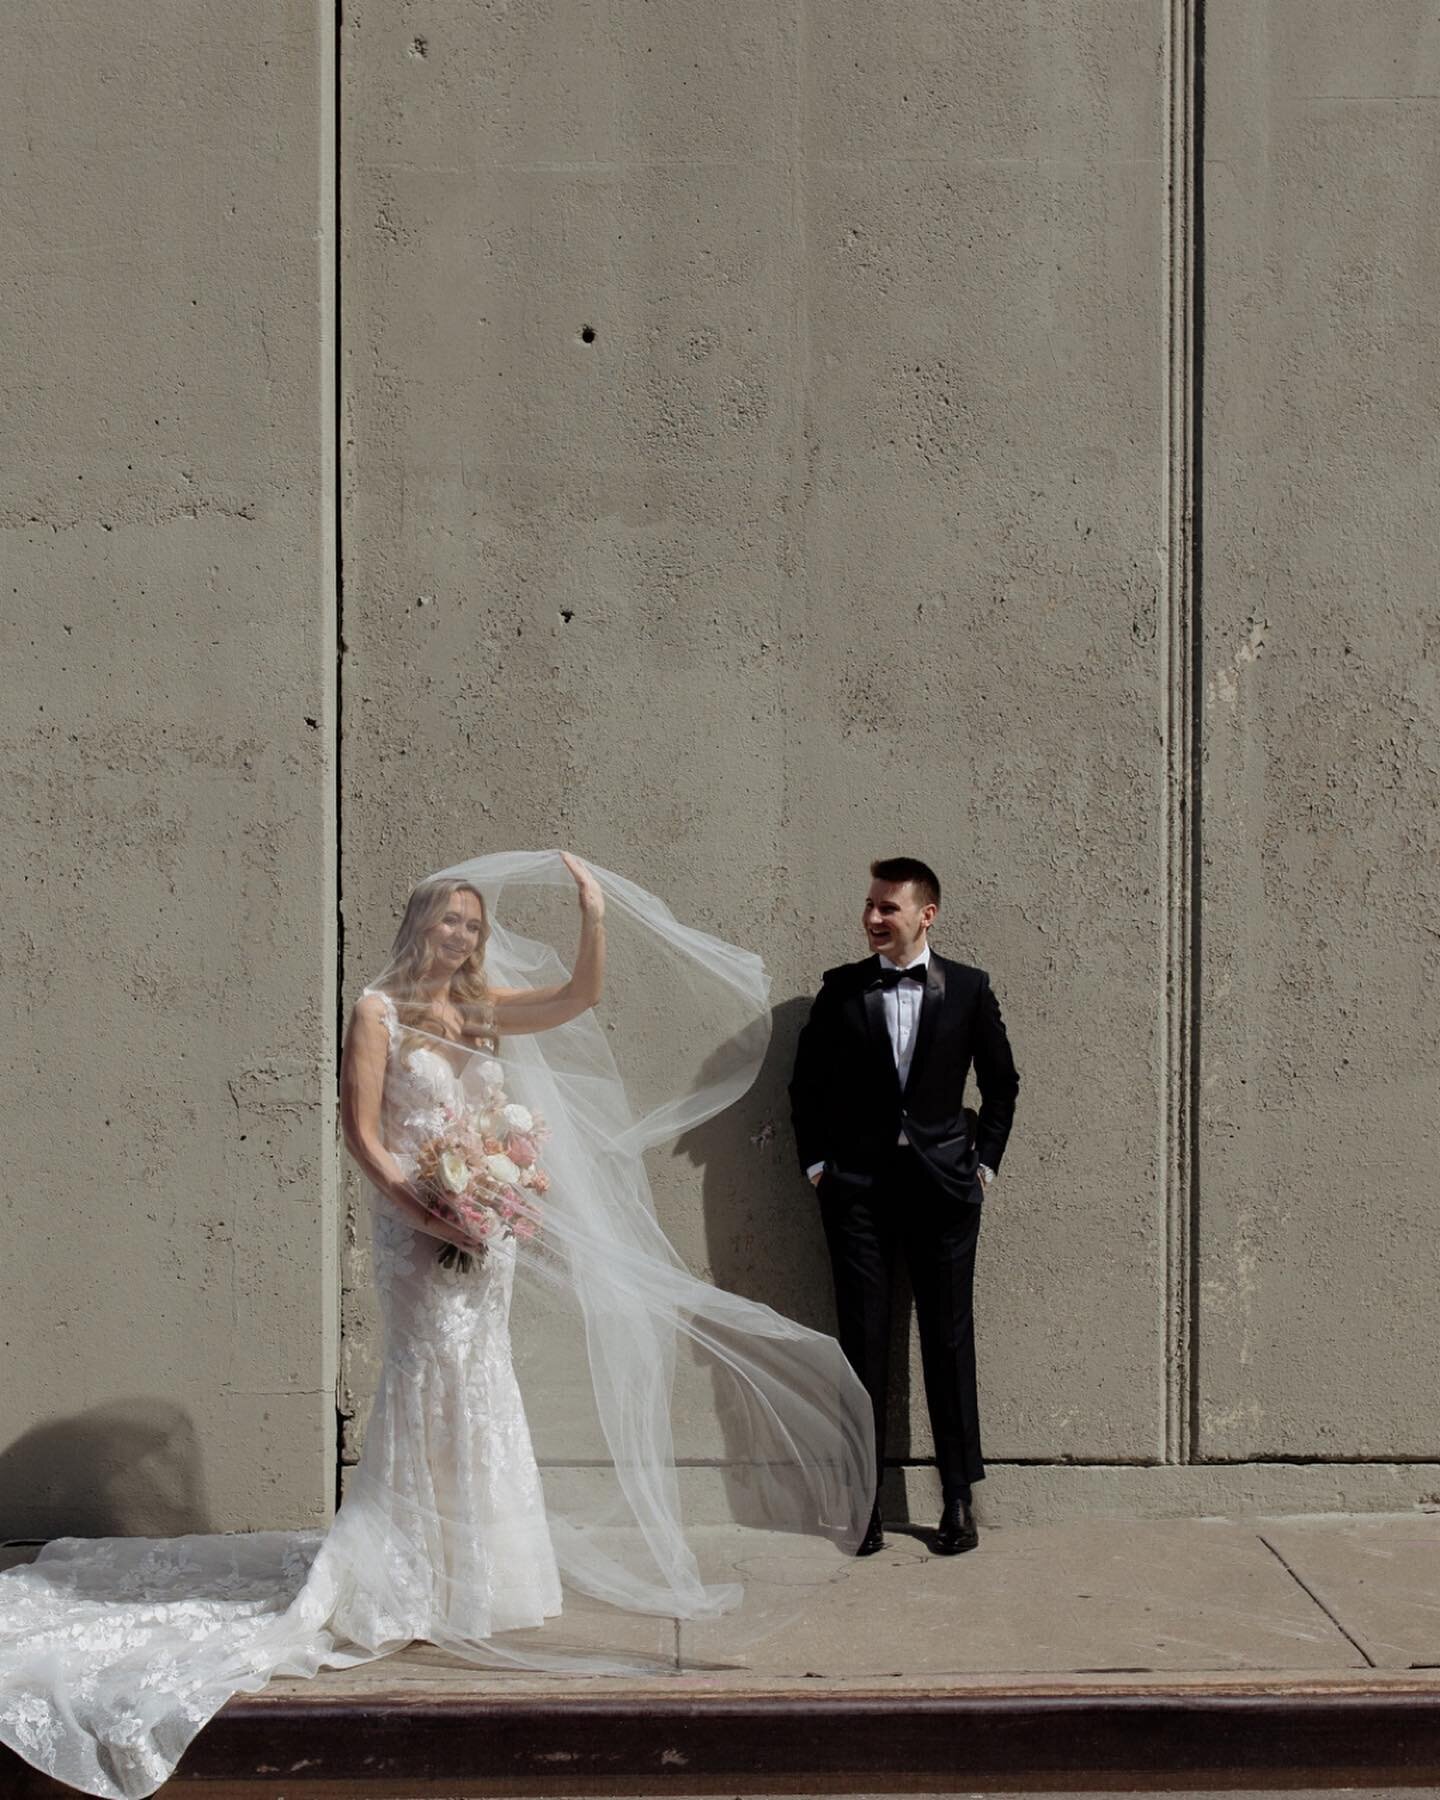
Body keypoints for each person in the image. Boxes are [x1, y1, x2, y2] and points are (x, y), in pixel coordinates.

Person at [0, 851, 874, 1800]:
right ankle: (403, 1574)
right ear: (420, 925)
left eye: (473, 923)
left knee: (482, 1385)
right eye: (450, 922)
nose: (463, 935)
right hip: (416, 1233)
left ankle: (477, 1578)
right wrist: (430, 1212)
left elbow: (579, 997)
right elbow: (363, 1134)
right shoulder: (376, 1010)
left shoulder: (483, 1005)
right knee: (426, 1381)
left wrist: (593, 910)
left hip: (481, 1231)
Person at [789, 856, 1019, 1558]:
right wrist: (820, 1168)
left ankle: (956, 1498)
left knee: (949, 1345)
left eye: (888, 908)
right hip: (856, 1193)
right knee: (862, 1347)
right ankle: (864, 1503)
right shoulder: (840, 991)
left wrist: (983, 1168)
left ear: (927, 914)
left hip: (946, 1190)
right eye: (869, 905)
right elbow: (806, 1088)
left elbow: (1003, 1083)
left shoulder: (970, 990)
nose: (872, 918)